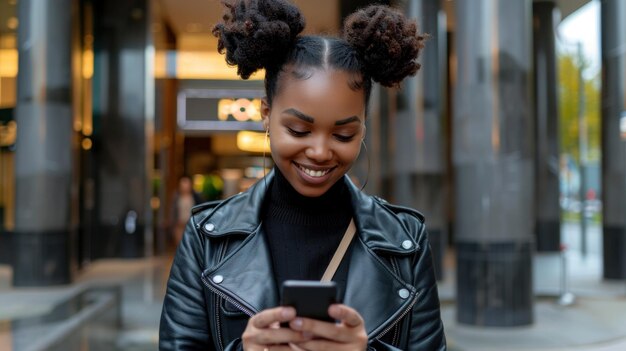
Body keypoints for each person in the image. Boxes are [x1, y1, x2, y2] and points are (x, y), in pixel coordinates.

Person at [159, 0, 446, 350]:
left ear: (364, 127)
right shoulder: (207, 239)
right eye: (298, 130)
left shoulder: (406, 242)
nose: (321, 151)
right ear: (266, 113)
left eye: (343, 135)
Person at [171, 175, 203, 245]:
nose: (185, 187)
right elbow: (173, 211)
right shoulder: (176, 196)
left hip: (192, 226)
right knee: (180, 245)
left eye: (186, 184)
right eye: (183, 184)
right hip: (179, 226)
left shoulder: (195, 196)